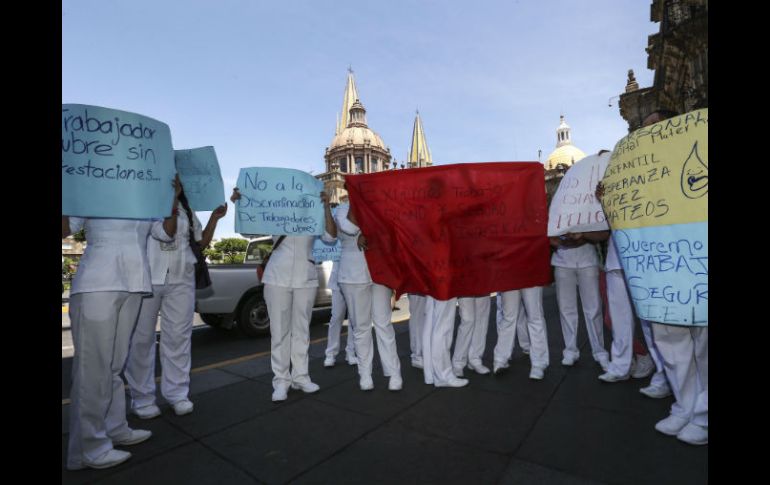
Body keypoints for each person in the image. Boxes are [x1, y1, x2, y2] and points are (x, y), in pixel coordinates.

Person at [63, 179, 179, 471]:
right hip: (97, 282)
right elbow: (67, 228)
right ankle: (87, 449)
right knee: (93, 368)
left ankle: (115, 428)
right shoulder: (88, 186)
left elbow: (165, 233)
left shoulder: (145, 196)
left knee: (114, 365)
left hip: (134, 281)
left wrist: (172, 199)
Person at [125, 177, 228, 419]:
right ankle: (142, 398)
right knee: (141, 339)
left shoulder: (186, 209)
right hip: (150, 275)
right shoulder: (145, 201)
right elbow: (163, 235)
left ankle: (177, 394)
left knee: (179, 337)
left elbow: (201, 242)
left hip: (182, 277)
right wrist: (170, 199)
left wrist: (215, 217)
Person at [231, 188, 337, 402]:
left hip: (305, 277)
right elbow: (247, 229)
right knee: (279, 331)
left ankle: (301, 377)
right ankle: (281, 381)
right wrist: (240, 203)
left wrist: (326, 207)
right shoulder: (277, 212)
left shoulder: (315, 212)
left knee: (301, 331)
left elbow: (331, 237)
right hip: (277, 276)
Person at [335, 201, 403, 391]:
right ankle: (365, 373)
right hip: (353, 274)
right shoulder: (343, 208)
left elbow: (391, 229)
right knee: (361, 326)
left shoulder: (379, 203)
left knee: (383, 323)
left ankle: (394, 372)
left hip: (380, 270)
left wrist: (370, 234)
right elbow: (349, 227)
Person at [550, 231, 610, 371]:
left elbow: (601, 231)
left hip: (588, 259)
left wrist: (583, 236)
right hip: (562, 260)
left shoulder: (590, 208)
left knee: (593, 308)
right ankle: (570, 351)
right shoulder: (554, 207)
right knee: (566, 309)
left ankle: (600, 351)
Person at [493, 286, 549, 379]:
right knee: (508, 317)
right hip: (510, 276)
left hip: (531, 276)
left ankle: (539, 363)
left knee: (535, 317)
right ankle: (500, 359)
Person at [422, 296, 468, 387]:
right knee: (444, 322)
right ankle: (443, 375)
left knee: (431, 319)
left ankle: (430, 372)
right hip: (444, 283)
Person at [323, 259, 358, 367]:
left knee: (354, 318)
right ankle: (330, 354)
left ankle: (351, 352)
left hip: (354, 278)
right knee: (336, 317)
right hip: (337, 279)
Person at [452, 294, 492, 376]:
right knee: (467, 320)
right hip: (465, 283)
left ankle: (475, 359)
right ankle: (458, 363)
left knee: (481, 318)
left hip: (482, 283)